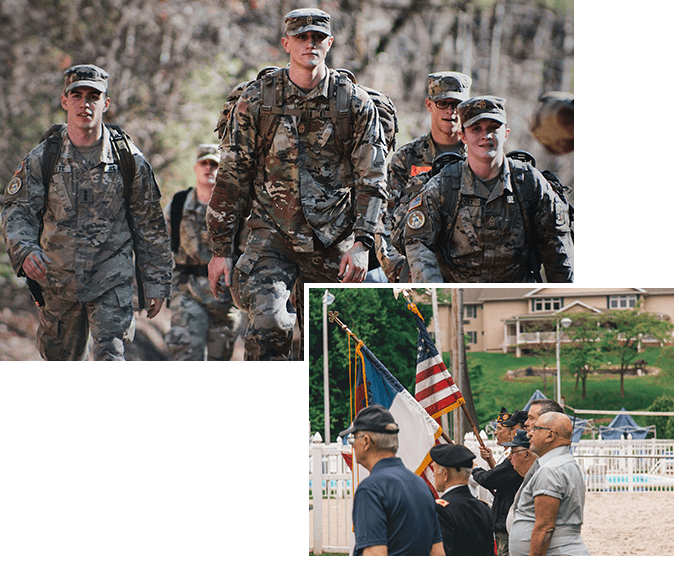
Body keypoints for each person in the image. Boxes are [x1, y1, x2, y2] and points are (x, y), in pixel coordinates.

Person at [207, 8, 388, 360]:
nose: (310, 44)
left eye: (317, 38)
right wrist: (220, 250)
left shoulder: (353, 102)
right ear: (285, 43)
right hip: (271, 234)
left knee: (335, 343)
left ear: (329, 43)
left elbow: (372, 178)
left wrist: (363, 242)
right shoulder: (258, 100)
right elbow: (233, 177)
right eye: (302, 37)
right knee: (270, 324)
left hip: (332, 237)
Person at [2, 64, 172, 360]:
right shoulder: (44, 158)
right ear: (64, 101)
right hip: (57, 278)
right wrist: (26, 250)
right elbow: (18, 211)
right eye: (77, 95)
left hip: (111, 277)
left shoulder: (128, 159)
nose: (85, 104)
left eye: (93, 96)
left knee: (111, 353)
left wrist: (156, 282)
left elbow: (150, 224)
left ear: (105, 103)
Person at [402, 95, 574, 282]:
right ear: (463, 136)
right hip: (457, 292)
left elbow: (557, 249)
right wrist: (434, 290)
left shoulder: (529, 182)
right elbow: (418, 243)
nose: (486, 136)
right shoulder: (443, 185)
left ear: (506, 133)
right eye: (476, 129)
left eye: (494, 128)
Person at [377, 71, 471, 281]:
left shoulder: (478, 156)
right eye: (443, 103)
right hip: (416, 270)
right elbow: (383, 219)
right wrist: (396, 268)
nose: (451, 111)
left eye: (456, 104)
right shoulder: (407, 157)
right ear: (429, 104)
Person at [164, 144, 240, 360]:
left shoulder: (234, 209)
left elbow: (247, 251)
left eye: (214, 164)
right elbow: (159, 247)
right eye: (204, 163)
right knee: (187, 353)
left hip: (225, 299)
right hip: (187, 293)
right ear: (196, 168)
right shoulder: (177, 205)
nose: (209, 168)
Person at [339, 405, 445, 556]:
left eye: (353, 438)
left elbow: (375, 555)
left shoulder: (371, 489)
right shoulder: (421, 485)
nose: (353, 445)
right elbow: (438, 554)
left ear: (366, 441)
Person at [509, 412, 590, 556]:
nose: (529, 435)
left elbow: (545, 528)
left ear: (550, 435)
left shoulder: (550, 470)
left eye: (536, 429)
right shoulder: (567, 463)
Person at [473, 409, 527, 555]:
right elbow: (501, 475)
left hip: (506, 520)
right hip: (502, 515)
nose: (496, 433)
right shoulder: (509, 453)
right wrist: (490, 460)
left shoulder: (517, 454)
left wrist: (475, 469)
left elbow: (490, 479)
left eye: (510, 428)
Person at [500, 429, 538, 535]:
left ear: (526, 455)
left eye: (513, 453)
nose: (510, 458)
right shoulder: (527, 478)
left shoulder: (537, 480)